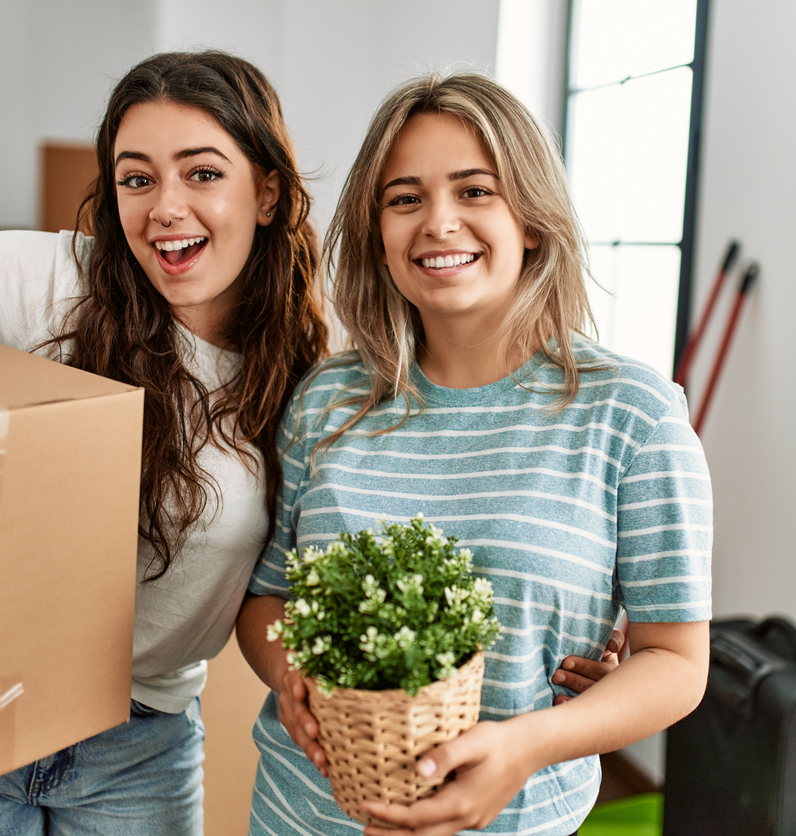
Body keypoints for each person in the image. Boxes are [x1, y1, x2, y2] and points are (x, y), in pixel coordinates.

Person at [0, 50, 328, 834]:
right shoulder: (56, 283)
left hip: (141, 746)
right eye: (138, 178)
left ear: (267, 192)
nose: (164, 207)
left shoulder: (303, 375)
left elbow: (279, 583)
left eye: (202, 173)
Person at [236, 72, 713, 836]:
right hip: (300, 816)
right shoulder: (325, 400)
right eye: (405, 198)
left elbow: (678, 663)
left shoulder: (632, 415)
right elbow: (265, 598)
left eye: (475, 191)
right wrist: (293, 675)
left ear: (531, 220)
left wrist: (529, 746)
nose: (438, 222)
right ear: (378, 233)